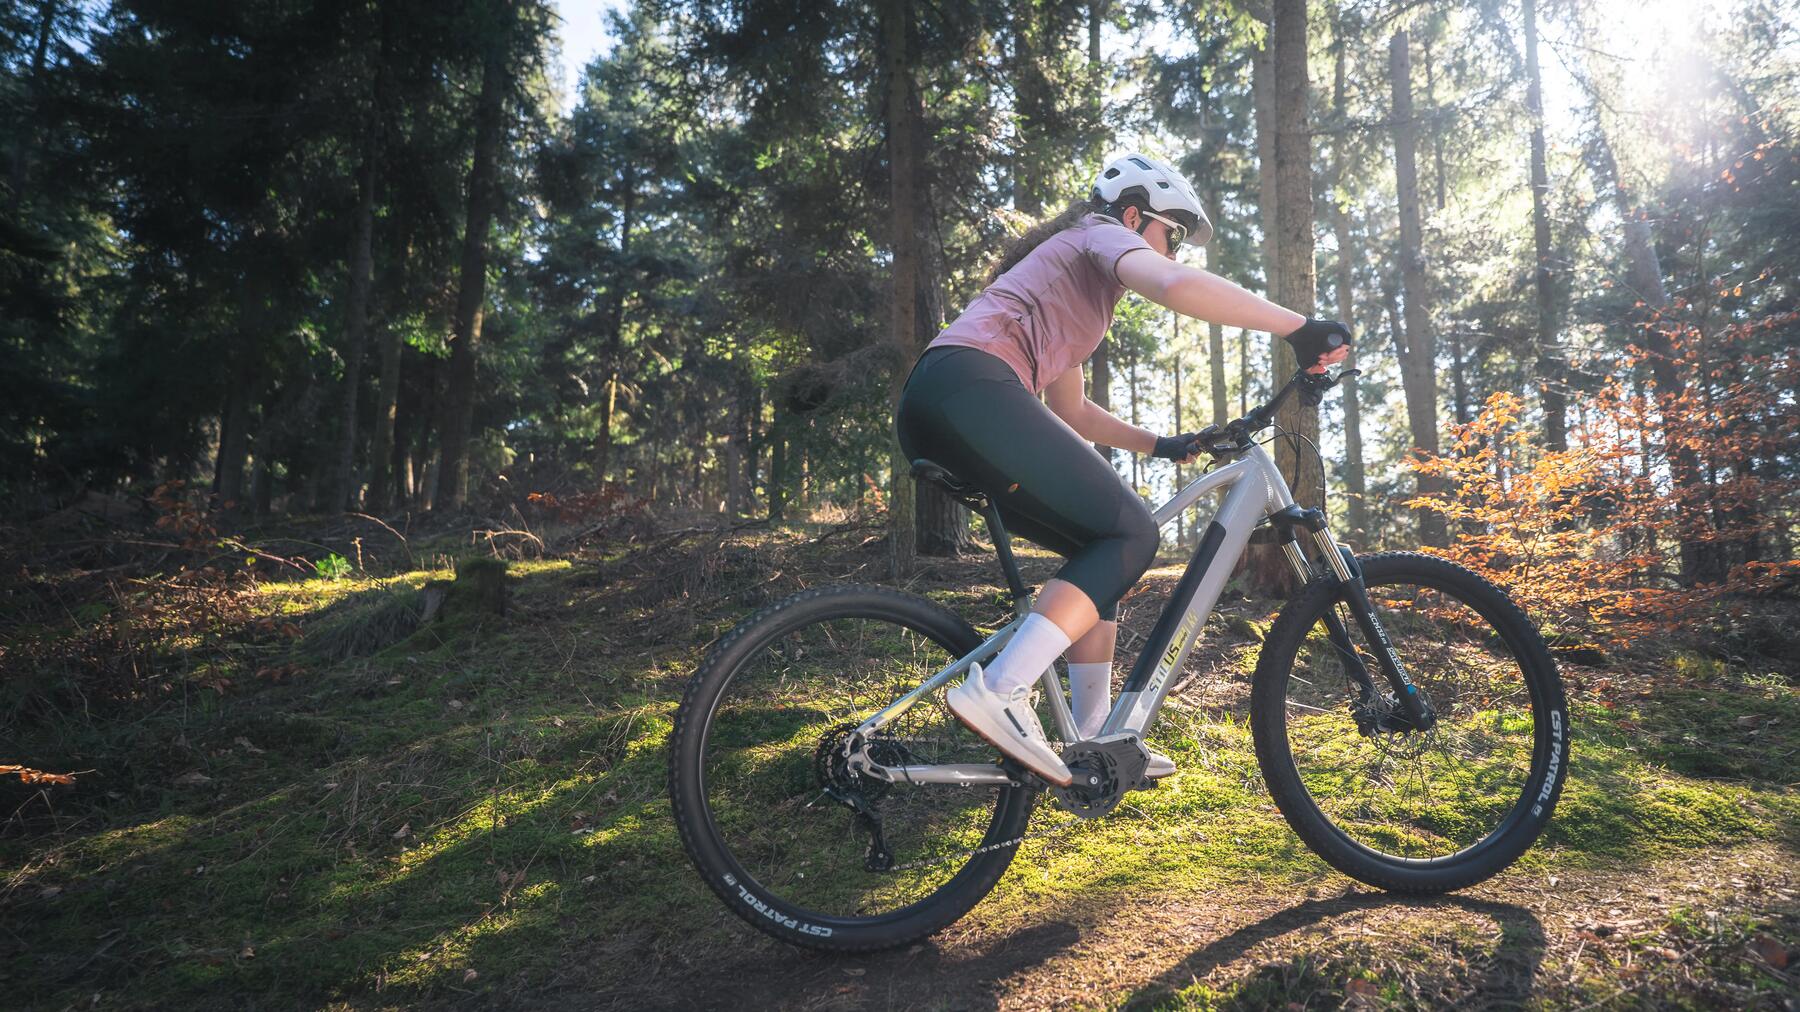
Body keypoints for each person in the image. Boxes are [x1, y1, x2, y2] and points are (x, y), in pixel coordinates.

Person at [894, 152, 1351, 787]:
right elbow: (1172, 288)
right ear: (1134, 215)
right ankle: (1001, 688)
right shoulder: (1096, 231)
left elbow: (1073, 410)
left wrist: (1164, 444)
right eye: (1172, 235)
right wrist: (1298, 327)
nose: (1175, 253)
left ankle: (1095, 736)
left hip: (945, 396)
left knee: (1101, 549)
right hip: (970, 385)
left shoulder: (1069, 289)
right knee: (1133, 534)